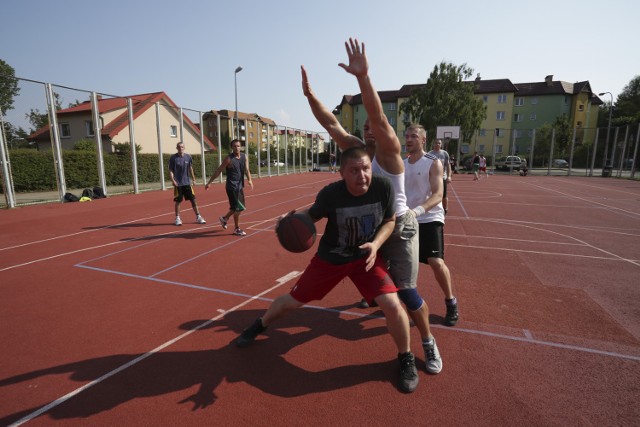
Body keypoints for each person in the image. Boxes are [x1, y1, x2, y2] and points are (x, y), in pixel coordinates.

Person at [301, 38, 442, 374]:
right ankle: (379, 302)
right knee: (381, 290)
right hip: (372, 226)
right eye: (364, 128)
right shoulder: (357, 150)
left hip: (401, 226)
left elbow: (377, 114)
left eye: (374, 127)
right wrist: (309, 96)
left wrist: (363, 77)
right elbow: (330, 124)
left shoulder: (391, 150)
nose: (370, 130)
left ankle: (427, 341)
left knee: (407, 292)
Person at [236, 146, 420, 393]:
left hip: (365, 257)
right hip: (331, 259)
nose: (361, 175)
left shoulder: (383, 187)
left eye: (365, 168)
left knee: (393, 305)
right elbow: (310, 216)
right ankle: (260, 323)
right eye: (354, 171)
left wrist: (376, 244)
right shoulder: (331, 194)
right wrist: (288, 221)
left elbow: (389, 221)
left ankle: (405, 358)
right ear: (342, 172)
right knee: (292, 302)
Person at [404, 125, 459, 327]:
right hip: (409, 220)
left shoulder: (433, 163)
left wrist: (418, 211)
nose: (409, 139)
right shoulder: (401, 164)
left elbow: (437, 194)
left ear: (423, 140)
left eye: (414, 136)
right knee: (399, 264)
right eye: (407, 136)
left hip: (429, 218)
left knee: (435, 262)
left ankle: (451, 301)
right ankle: (382, 296)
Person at [205, 139, 253, 236]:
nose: (237, 148)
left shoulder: (244, 156)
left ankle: (224, 219)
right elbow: (219, 170)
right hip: (232, 187)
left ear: (241, 147)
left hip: (239, 186)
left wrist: (250, 180)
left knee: (237, 208)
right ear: (232, 147)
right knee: (239, 208)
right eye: (235, 146)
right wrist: (209, 182)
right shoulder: (229, 159)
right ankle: (236, 228)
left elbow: (247, 169)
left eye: (238, 146)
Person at [169, 142, 206, 226]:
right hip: (178, 184)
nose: (180, 148)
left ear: (184, 148)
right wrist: (173, 180)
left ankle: (198, 216)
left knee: (193, 200)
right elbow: (170, 170)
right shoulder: (173, 158)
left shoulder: (188, 157)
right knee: (178, 201)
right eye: (179, 147)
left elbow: (190, 168)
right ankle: (177, 218)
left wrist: (193, 179)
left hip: (187, 183)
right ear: (176, 148)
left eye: (182, 147)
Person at [428, 139, 452, 214]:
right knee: (432, 194)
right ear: (433, 144)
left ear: (441, 145)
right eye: (436, 143)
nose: (437, 144)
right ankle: (432, 208)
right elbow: (426, 166)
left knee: (444, 195)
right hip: (432, 178)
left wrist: (449, 176)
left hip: (442, 177)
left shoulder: (445, 153)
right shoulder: (429, 154)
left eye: (439, 143)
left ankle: (445, 209)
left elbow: (448, 166)